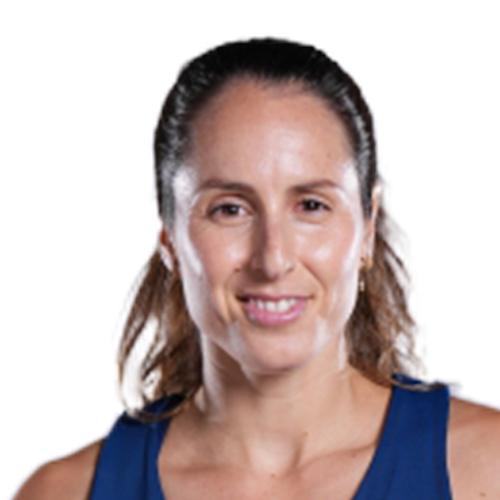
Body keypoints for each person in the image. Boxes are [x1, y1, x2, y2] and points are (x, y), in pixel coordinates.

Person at [14, 38, 500, 500]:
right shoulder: (64, 492)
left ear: (368, 228)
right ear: (170, 241)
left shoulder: (487, 469)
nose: (273, 259)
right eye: (230, 209)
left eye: (311, 205)